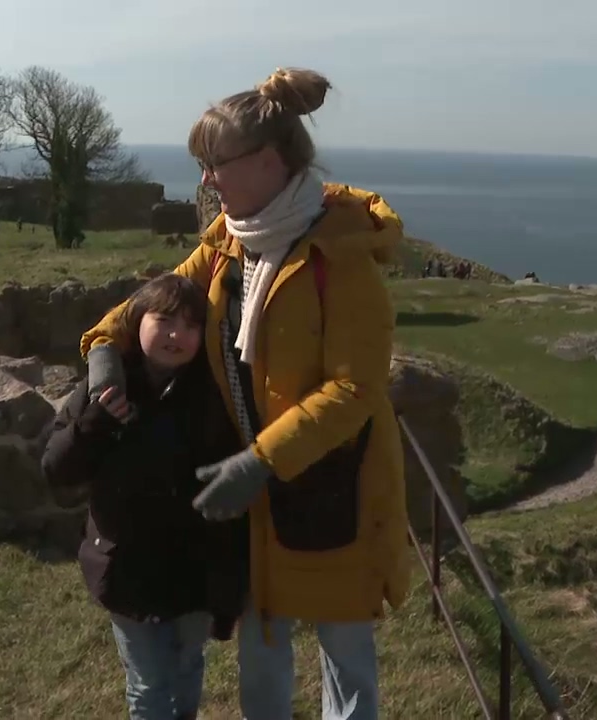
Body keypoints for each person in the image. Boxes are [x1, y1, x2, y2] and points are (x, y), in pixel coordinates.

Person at [78, 67, 410, 720]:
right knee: (264, 651)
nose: (206, 180)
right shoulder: (232, 241)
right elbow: (154, 302)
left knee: (345, 657)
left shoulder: (342, 260)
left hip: (333, 481)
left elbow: (355, 389)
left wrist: (259, 461)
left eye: (214, 164)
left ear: (266, 161)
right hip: (254, 490)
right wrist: (103, 352)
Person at [41, 274, 248, 720]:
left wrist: (230, 585)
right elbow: (57, 469)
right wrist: (96, 421)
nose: (177, 335)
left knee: (188, 666)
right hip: (129, 571)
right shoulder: (107, 389)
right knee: (150, 685)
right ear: (136, 322)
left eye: (192, 325)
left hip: (195, 571)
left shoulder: (216, 395)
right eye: (164, 320)